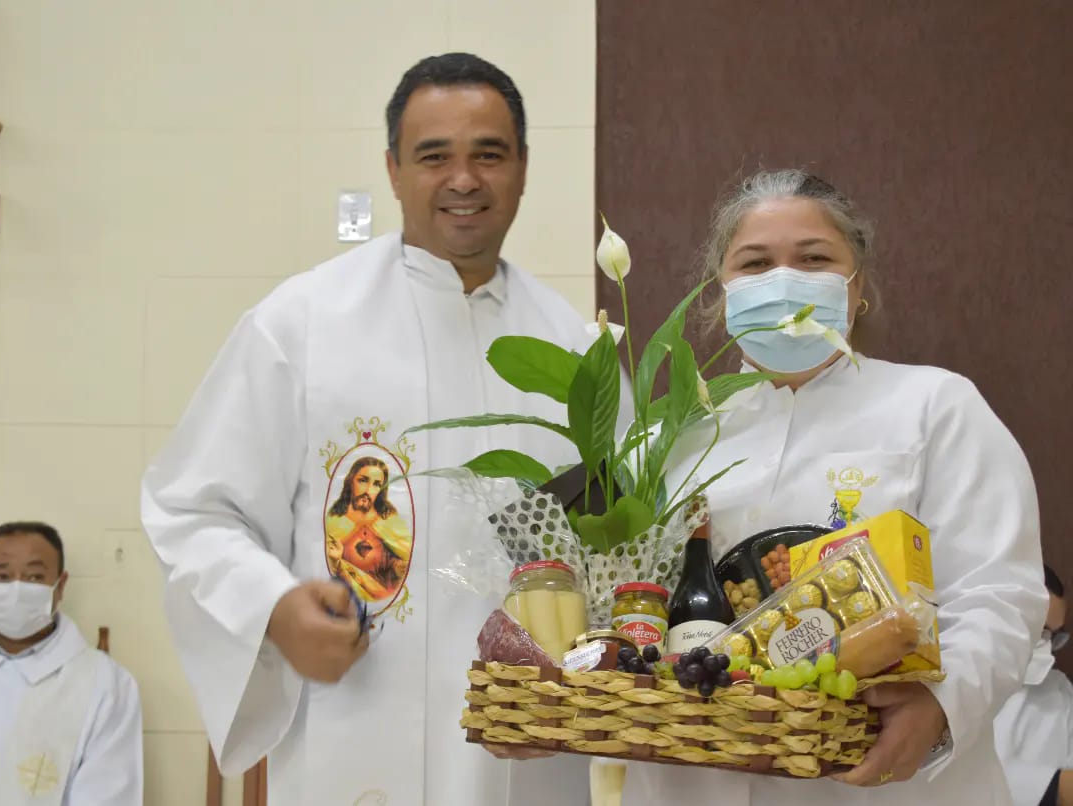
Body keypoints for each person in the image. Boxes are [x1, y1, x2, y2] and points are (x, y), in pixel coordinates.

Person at [140, 53, 606, 805]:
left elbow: (620, 556)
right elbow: (192, 509)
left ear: (523, 167)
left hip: (530, 759)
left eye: (489, 154)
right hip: (355, 733)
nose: (464, 179)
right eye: (434, 156)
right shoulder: (302, 324)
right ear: (393, 169)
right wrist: (273, 607)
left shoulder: (576, 353)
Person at [623, 169, 1046, 805]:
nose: (783, 281)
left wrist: (940, 704)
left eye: (814, 259)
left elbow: (1000, 592)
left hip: (886, 778)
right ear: (721, 292)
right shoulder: (669, 437)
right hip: (697, 775)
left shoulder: (936, 407)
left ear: (857, 287)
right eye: (755, 264)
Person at [0, 521, 143, 805]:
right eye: (1, 577)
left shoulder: (106, 684)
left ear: (60, 586)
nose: (16, 589)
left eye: (34, 577)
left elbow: (107, 795)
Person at [994, 564, 1073, 806]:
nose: (1046, 650)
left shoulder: (1059, 691)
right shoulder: (947, 677)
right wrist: (1054, 786)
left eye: (1054, 636)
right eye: (1039, 629)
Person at [325, 456, 412, 602]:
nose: (368, 490)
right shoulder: (335, 520)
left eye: (377, 484)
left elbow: (399, 561)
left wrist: (399, 567)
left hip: (384, 600)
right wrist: (336, 562)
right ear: (350, 481)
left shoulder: (389, 521)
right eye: (363, 481)